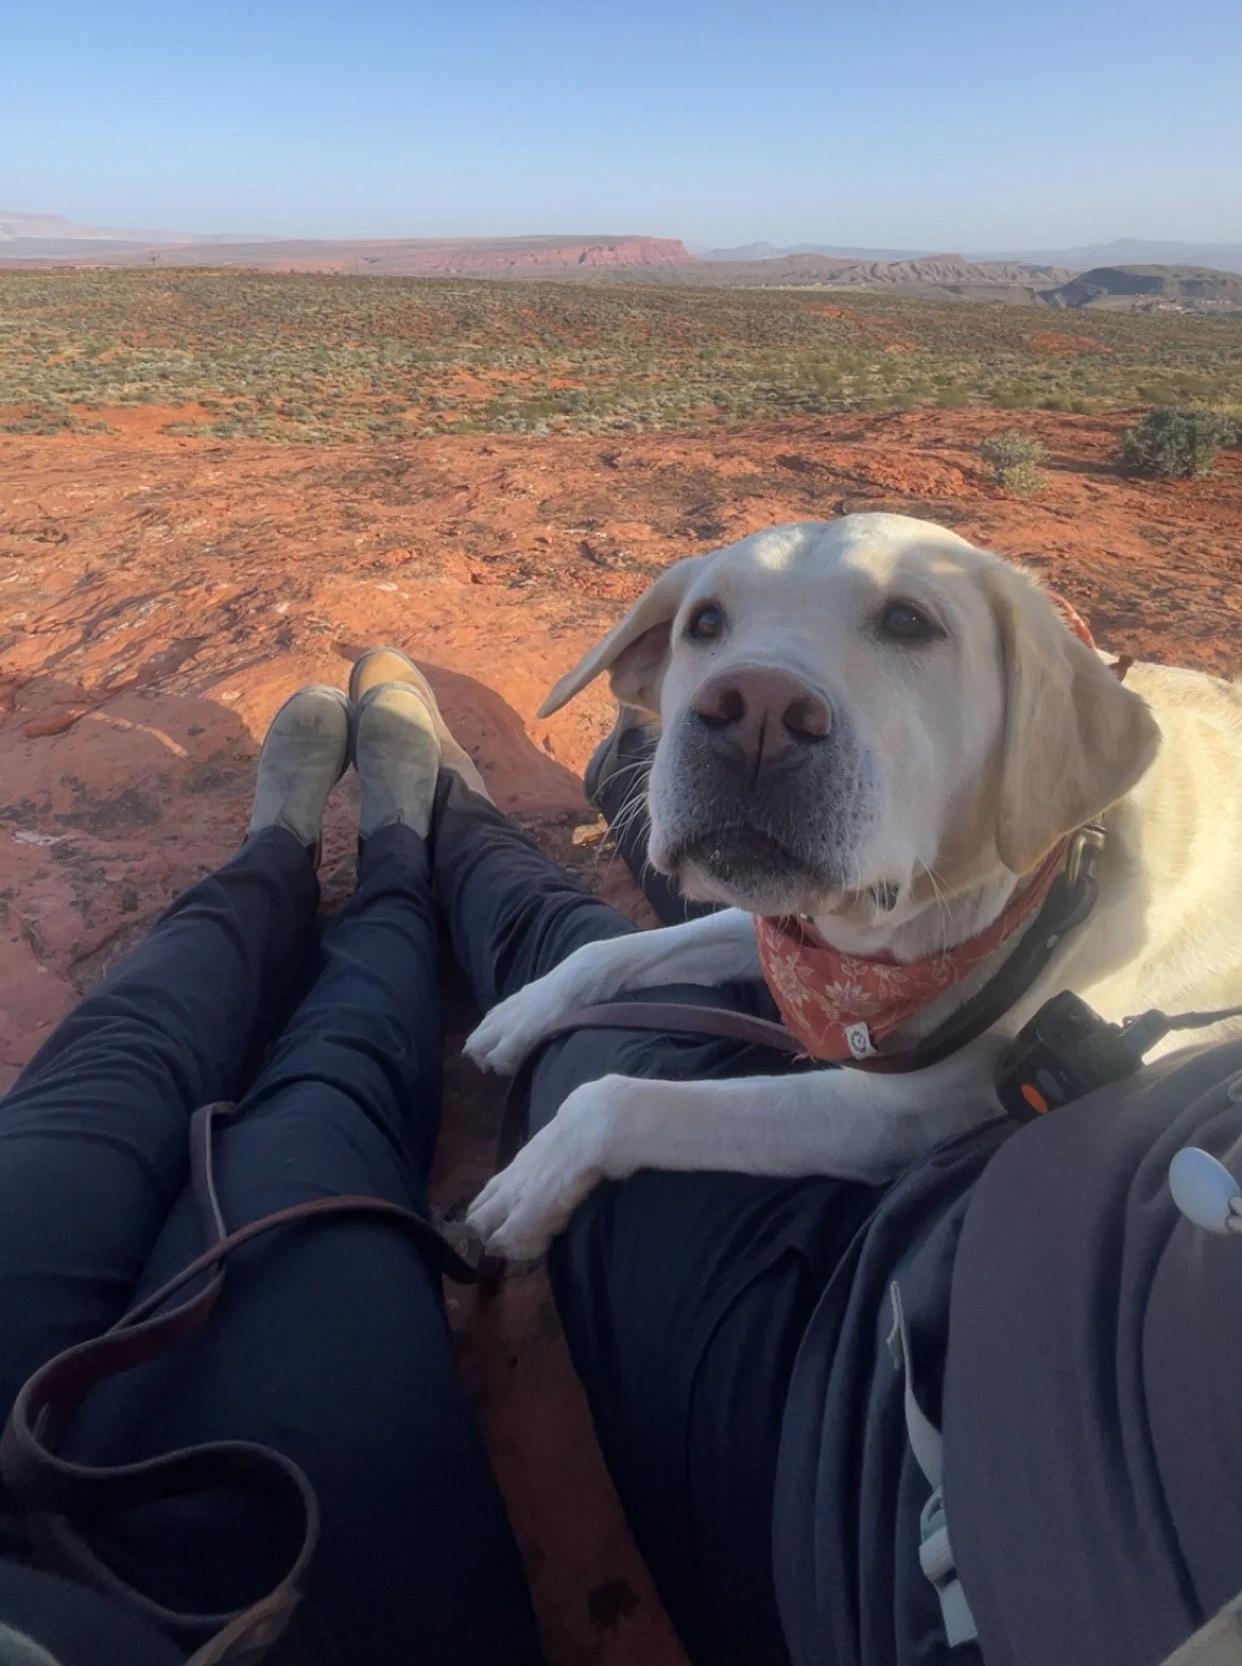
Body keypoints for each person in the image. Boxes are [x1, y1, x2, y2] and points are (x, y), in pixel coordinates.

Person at [3, 655, 1241, 1666]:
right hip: (981, 1271)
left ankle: (322, 861)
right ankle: (447, 836)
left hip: (878, 1483)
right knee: (544, 979)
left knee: (145, 1068)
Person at [0, 657, 544, 1666]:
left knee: (117, 1061)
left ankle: (277, 860)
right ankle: (395, 869)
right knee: (328, 1104)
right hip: (257, 1615)